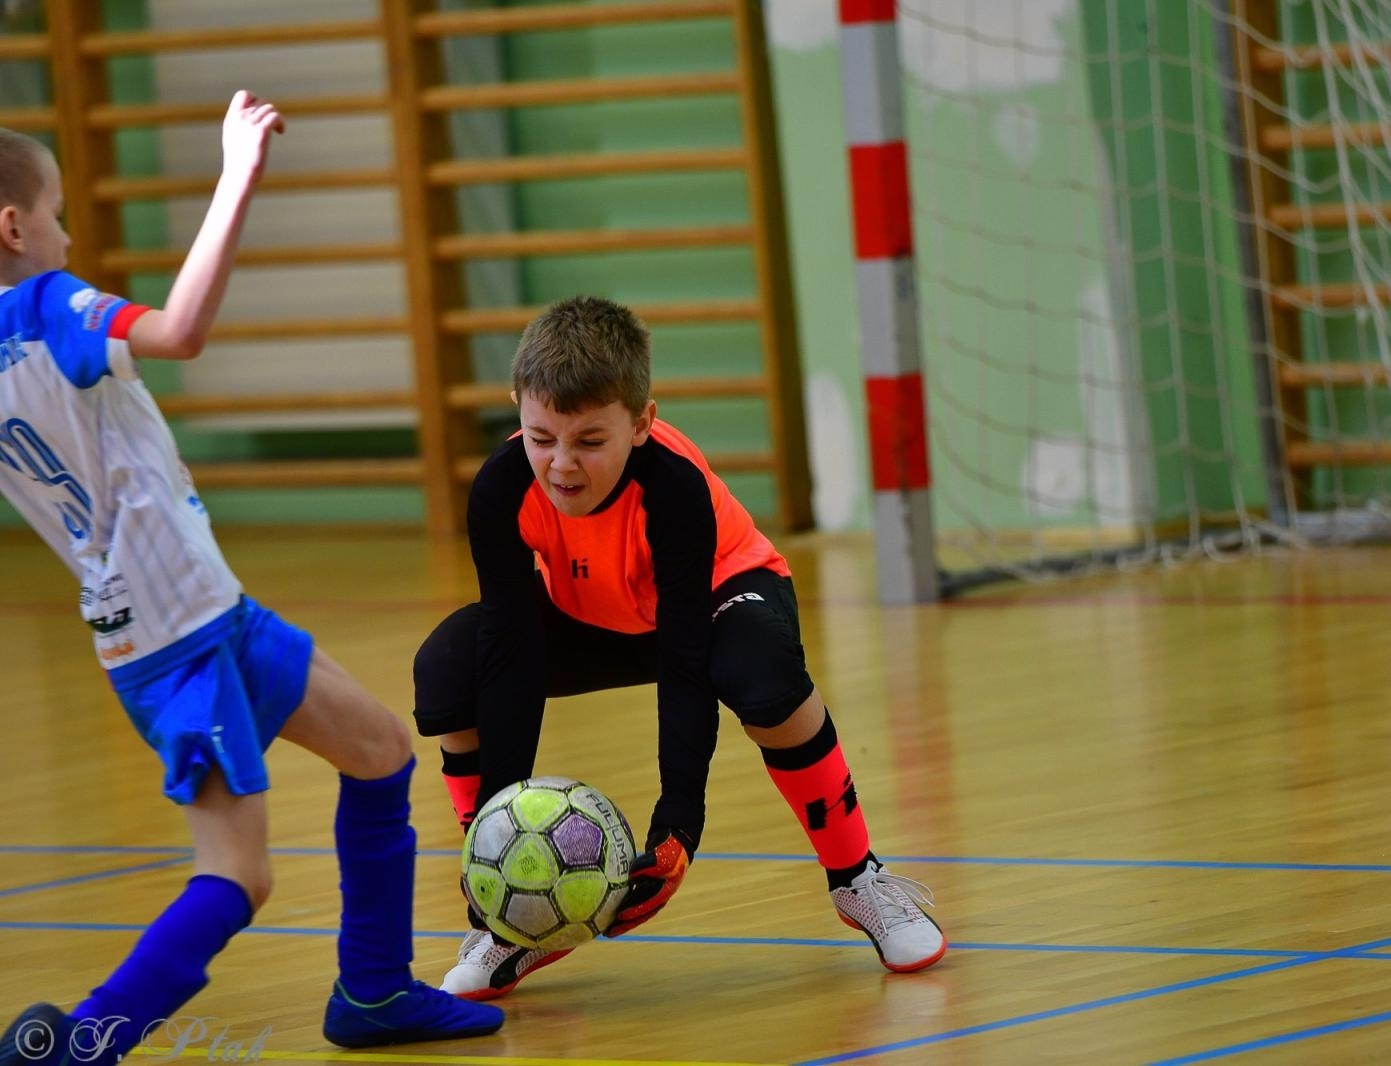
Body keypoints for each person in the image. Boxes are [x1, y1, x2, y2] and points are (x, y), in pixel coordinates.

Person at [0, 93, 503, 1066]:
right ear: (15, 227)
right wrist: (238, 173)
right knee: (239, 874)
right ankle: (82, 1046)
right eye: (59, 210)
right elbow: (180, 329)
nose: (67, 230)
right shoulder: (49, 305)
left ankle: (375, 989)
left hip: (202, 609)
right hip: (173, 637)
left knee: (378, 748)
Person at [414, 295, 949, 1000]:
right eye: (542, 437)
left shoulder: (672, 487)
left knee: (764, 679)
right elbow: (510, 653)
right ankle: (513, 920)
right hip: (593, 611)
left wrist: (678, 829)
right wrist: (491, 835)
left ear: (642, 423)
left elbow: (685, 660)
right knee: (449, 666)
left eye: (590, 441)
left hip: (715, 600)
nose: (562, 465)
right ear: (517, 406)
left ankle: (859, 880)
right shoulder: (500, 490)